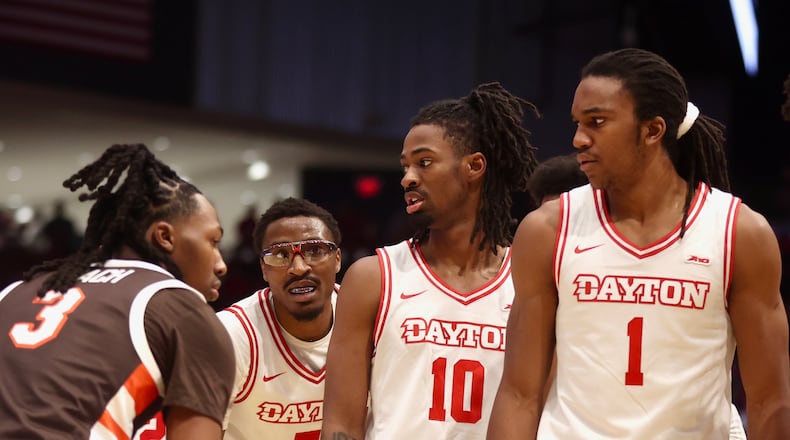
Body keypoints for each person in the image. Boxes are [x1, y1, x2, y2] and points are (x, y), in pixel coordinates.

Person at [488, 47, 790, 439]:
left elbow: (770, 400)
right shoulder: (547, 230)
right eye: (578, 122)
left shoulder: (738, 232)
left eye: (597, 122)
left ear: (652, 130)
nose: (578, 139)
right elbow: (519, 393)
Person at [321, 81, 540, 439]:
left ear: (474, 166)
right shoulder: (373, 278)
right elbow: (341, 424)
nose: (408, 178)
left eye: (424, 163)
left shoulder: (528, 281)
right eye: (405, 166)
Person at [0, 143, 235, 439]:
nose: (221, 264)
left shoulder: (16, 291)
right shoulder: (180, 308)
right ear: (164, 237)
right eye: (213, 242)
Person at [217, 197, 342, 439]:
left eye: (314, 250)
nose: (298, 267)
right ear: (263, 268)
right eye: (280, 254)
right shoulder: (231, 334)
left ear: (337, 259)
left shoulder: (371, 318)